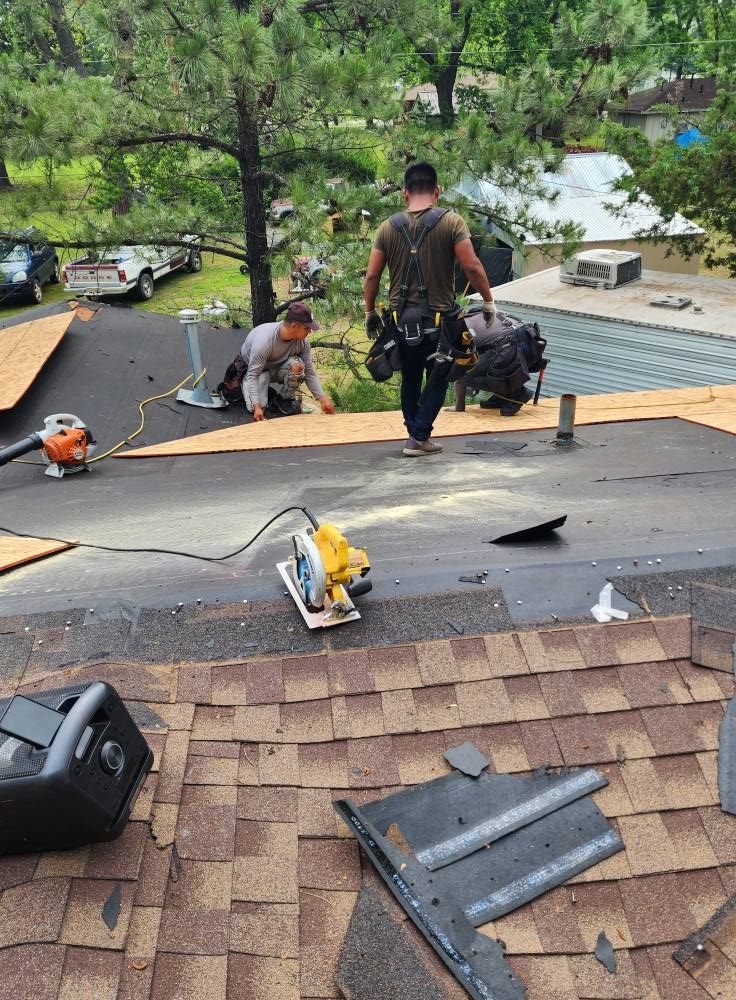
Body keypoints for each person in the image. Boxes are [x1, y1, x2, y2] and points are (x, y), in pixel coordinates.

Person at [363, 161, 496, 457]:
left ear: (404, 193)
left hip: (400, 322)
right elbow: (472, 266)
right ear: (437, 191)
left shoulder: (388, 227)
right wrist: (488, 302)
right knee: (438, 376)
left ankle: (415, 434)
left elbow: (372, 275)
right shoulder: (451, 222)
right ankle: (418, 437)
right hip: (439, 323)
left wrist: (370, 311)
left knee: (410, 378)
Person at [218, 302, 335, 420]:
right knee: (256, 408)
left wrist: (322, 399)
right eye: (306, 328)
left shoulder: (302, 343)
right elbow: (253, 374)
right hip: (254, 371)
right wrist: (257, 406)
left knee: (298, 366)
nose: (309, 331)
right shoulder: (264, 342)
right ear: (294, 326)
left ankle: (282, 400)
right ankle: (243, 383)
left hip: (275, 367)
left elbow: (309, 372)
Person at [454, 308, 546, 415]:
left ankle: (518, 393)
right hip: (532, 343)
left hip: (510, 347)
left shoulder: (461, 326)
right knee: (484, 366)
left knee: (463, 375)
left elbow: (463, 363)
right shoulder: (483, 313)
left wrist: (459, 408)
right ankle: (503, 397)